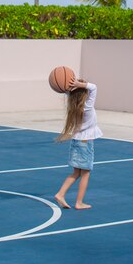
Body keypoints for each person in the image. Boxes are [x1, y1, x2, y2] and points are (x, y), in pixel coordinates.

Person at [54, 77, 103, 210]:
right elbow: (94, 87)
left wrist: (69, 87)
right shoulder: (87, 107)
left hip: (76, 141)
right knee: (85, 173)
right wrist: (79, 84)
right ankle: (79, 202)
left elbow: (71, 92)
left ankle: (60, 194)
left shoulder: (73, 107)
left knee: (76, 173)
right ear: (84, 93)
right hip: (85, 143)